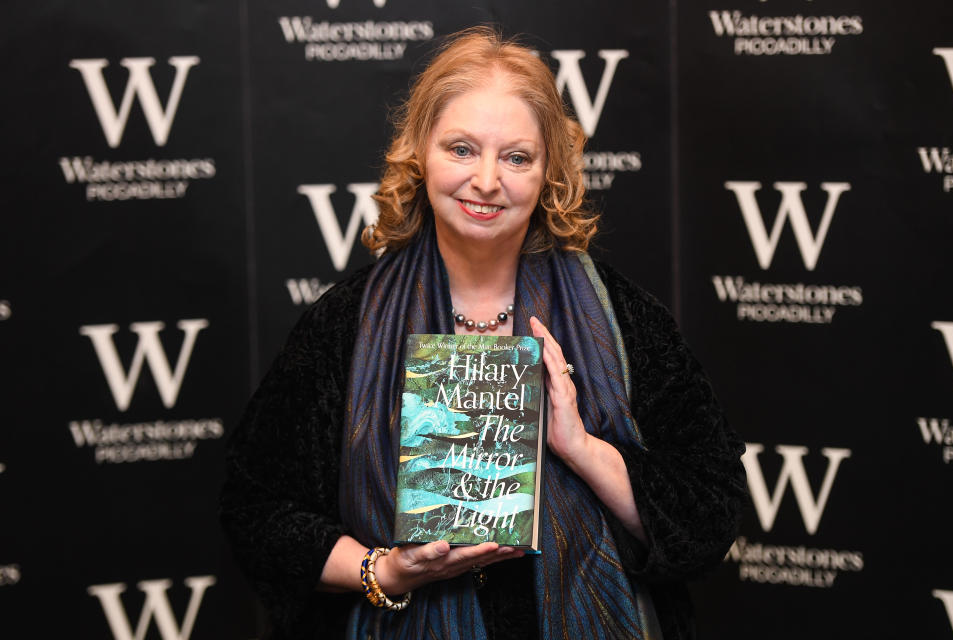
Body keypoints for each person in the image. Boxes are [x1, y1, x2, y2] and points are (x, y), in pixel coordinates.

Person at [221, 26, 746, 640]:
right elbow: (256, 511)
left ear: (550, 169)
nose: (487, 180)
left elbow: (709, 515)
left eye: (517, 157)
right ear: (420, 153)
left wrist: (582, 448)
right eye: (462, 149)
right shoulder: (345, 323)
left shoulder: (623, 318)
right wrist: (383, 572)